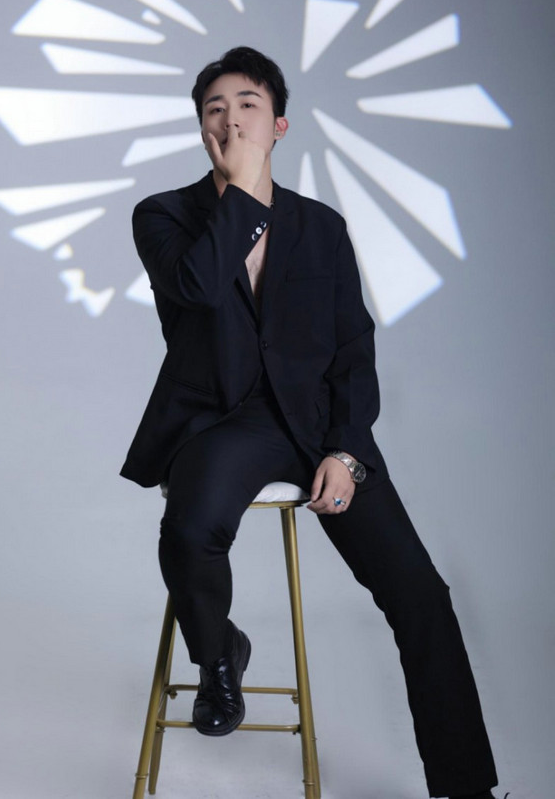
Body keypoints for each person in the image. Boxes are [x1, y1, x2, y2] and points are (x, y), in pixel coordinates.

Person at [121, 46, 504, 799]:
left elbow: (352, 350)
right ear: (201, 130)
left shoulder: (321, 227)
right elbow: (198, 288)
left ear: (280, 125)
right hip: (225, 421)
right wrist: (243, 192)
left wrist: (347, 451)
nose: (231, 120)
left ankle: (467, 787)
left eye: (248, 106)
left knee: (422, 596)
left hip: (320, 426)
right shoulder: (163, 215)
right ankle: (219, 654)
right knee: (189, 528)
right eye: (214, 110)